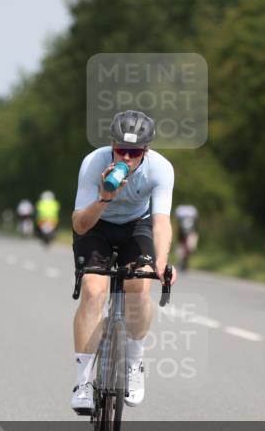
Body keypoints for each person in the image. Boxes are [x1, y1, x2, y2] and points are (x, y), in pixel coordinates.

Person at [70, 110, 175, 412]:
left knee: (139, 286)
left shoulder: (160, 169)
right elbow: (80, 224)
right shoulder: (93, 163)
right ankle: (84, 381)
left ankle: (134, 362)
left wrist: (161, 263)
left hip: (136, 226)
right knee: (92, 291)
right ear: (112, 145)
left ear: (147, 151)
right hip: (95, 225)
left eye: (135, 152)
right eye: (121, 150)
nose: (127, 157)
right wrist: (104, 197)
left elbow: (161, 223)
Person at [173, 203, 199, 271]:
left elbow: (196, 221)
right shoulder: (181, 209)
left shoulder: (191, 210)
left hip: (190, 232)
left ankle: (185, 261)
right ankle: (181, 261)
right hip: (182, 232)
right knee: (181, 247)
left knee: (190, 247)